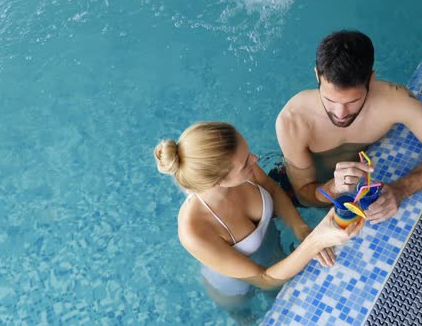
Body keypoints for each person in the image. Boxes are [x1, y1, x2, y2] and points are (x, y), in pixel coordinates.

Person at [154, 121, 363, 311]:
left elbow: (271, 189)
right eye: (245, 162)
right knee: (247, 315)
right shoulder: (194, 231)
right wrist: (314, 243)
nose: (255, 159)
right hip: (235, 286)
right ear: (216, 182)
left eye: (248, 154)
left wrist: (302, 230)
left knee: (282, 298)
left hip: (271, 250)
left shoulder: (244, 170)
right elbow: (263, 278)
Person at [275, 30, 422, 224]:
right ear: (318, 76)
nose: (340, 113)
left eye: (353, 101)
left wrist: (401, 189)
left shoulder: (393, 100)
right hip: (309, 187)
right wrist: (334, 187)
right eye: (330, 100)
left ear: (371, 79)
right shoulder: (293, 121)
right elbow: (304, 196)